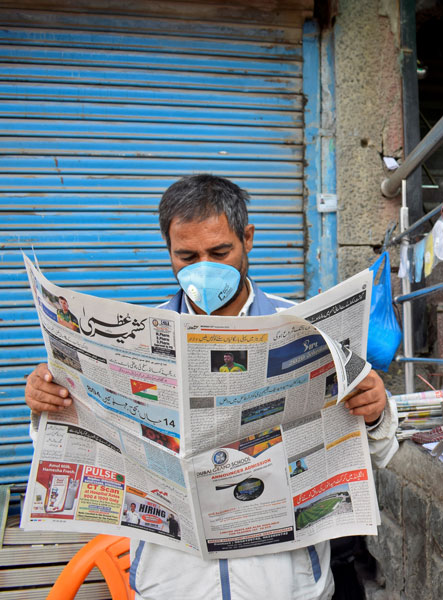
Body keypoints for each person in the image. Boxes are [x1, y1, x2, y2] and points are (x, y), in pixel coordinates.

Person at [24, 174, 399, 600]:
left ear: (248, 238)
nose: (204, 269)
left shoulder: (310, 331)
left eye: (219, 252)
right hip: (170, 587)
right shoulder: (127, 338)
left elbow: (382, 452)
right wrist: (46, 403)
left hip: (287, 588)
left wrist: (377, 411)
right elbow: (70, 449)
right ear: (168, 252)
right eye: (187, 256)